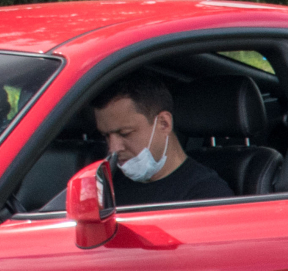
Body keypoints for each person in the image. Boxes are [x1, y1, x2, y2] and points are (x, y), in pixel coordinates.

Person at [91, 75, 227, 206]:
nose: (113, 148)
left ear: (164, 123)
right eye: (106, 136)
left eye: (125, 133)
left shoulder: (206, 195)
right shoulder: (108, 186)